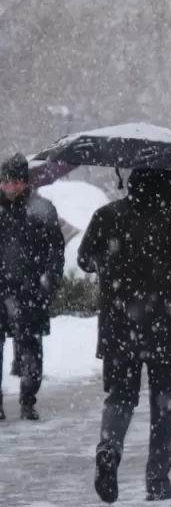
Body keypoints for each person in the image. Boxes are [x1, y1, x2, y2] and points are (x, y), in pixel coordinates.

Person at [78, 168, 171, 504]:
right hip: (165, 327)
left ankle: (109, 448)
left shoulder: (107, 215)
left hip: (118, 326)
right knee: (164, 403)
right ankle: (158, 480)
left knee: (120, 397)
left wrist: (110, 263)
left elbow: (84, 260)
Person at [0, 154, 64, 421]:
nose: (10, 186)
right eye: (6, 181)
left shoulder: (42, 209)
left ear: (25, 182)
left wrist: (48, 282)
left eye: (16, 181)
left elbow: (55, 250)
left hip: (31, 290)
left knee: (31, 348)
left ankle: (28, 399)